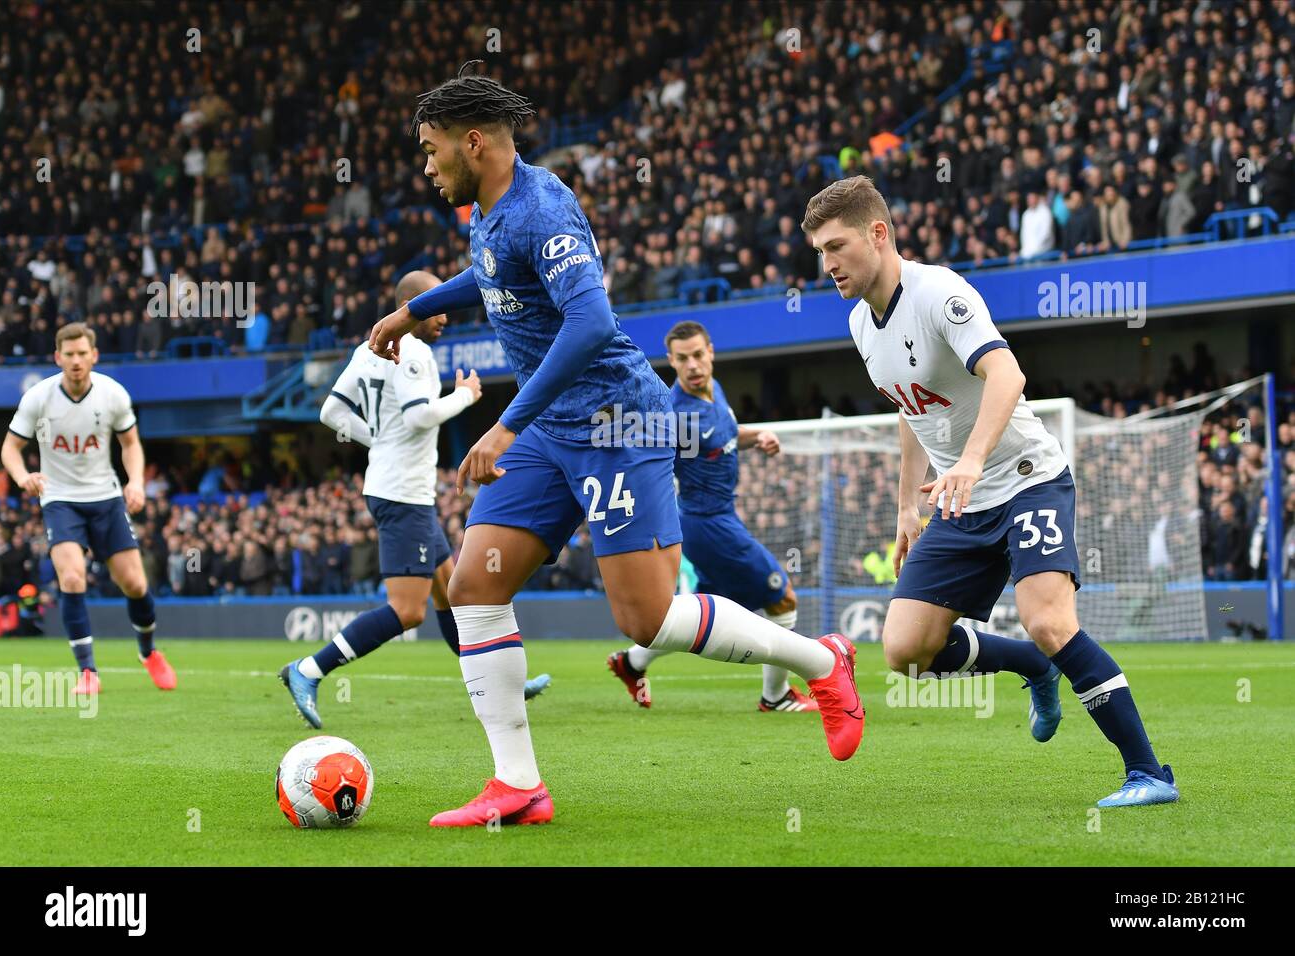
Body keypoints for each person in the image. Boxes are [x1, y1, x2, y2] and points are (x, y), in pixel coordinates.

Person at [369, 64, 862, 828]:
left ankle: (823, 662)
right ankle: (518, 784)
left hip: (614, 426)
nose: (426, 166)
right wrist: (416, 311)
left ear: (473, 143)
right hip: (553, 432)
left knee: (645, 622)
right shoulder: (491, 212)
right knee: (473, 586)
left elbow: (592, 322)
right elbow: (490, 275)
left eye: (432, 150)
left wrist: (505, 423)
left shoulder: (542, 207)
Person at [802, 174, 1177, 808]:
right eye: (818, 253)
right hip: (957, 501)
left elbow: (1008, 373)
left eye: (835, 246)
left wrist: (971, 460)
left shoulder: (940, 292)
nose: (827, 264)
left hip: (1027, 479)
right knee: (906, 651)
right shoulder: (863, 326)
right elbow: (911, 408)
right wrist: (903, 507)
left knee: (1050, 621)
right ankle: (1030, 665)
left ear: (879, 232)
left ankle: (1148, 774)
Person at [281, 270, 550, 728]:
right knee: (407, 611)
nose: (444, 316)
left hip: (400, 490)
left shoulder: (367, 351)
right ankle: (308, 670)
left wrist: (377, 442)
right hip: (403, 494)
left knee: (450, 593)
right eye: (437, 307)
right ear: (415, 307)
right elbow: (421, 417)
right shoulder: (415, 351)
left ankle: (495, 685)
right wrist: (464, 396)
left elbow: (330, 411)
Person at [607, 320, 818, 713]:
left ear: (711, 352)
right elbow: (649, 464)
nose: (692, 365)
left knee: (692, 620)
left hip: (719, 519)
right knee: (782, 598)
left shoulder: (714, 392)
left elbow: (729, 433)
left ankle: (631, 662)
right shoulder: (677, 417)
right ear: (670, 361)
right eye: (682, 359)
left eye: (698, 355)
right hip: (708, 524)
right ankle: (777, 696)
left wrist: (758, 439)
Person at [0, 323, 176, 694]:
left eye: (83, 353)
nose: (76, 361)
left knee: (134, 582)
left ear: (94, 356)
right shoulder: (39, 397)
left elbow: (131, 444)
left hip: (106, 496)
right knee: (73, 578)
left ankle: (149, 653)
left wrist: (137, 482)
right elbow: (10, 448)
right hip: (60, 498)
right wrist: (21, 476)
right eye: (69, 354)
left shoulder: (112, 395)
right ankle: (88, 672)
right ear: (57, 357)